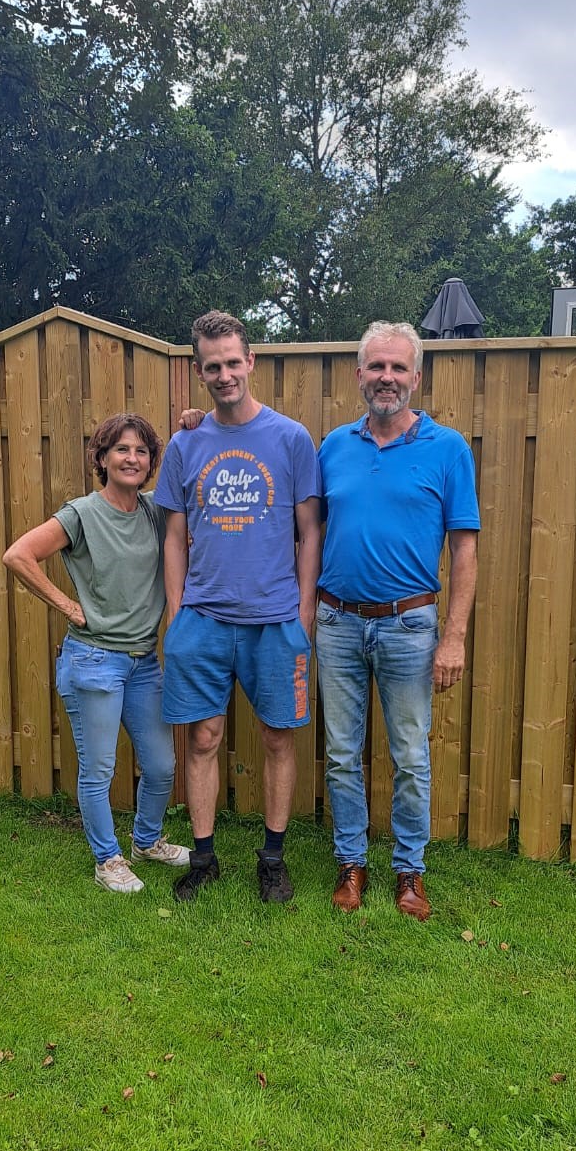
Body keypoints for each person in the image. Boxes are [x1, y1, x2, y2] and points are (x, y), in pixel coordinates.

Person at [155, 310, 321, 903]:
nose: (224, 374)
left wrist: (303, 614)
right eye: (212, 366)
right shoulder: (185, 444)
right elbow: (173, 536)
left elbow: (309, 532)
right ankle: (203, 859)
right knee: (202, 738)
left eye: (232, 362)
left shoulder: (291, 438)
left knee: (278, 738)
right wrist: (176, 614)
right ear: (200, 372)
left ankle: (272, 859)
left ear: (251, 362)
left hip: (275, 620)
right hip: (202, 618)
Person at [315, 321, 479, 922]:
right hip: (336, 622)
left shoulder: (447, 449)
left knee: (409, 755)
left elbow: (464, 551)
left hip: (410, 626)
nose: (387, 378)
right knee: (339, 752)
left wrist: (454, 637)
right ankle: (350, 864)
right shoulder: (332, 446)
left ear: (416, 377)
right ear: (359, 375)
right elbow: (301, 517)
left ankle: (409, 873)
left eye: (398, 368)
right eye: (376, 367)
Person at [2, 413, 189, 893]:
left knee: (162, 765)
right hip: (94, 662)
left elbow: (196, 484)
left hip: (144, 662)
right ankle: (108, 859)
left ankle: (146, 841)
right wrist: (66, 604)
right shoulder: (81, 513)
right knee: (99, 769)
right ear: (102, 458)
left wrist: (197, 424)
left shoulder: (153, 511)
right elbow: (18, 555)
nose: (133, 458)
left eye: (142, 451)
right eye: (122, 450)